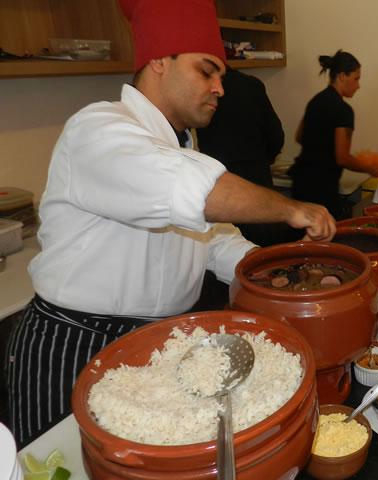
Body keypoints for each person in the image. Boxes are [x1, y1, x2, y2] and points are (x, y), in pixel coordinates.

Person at [3, 0, 335, 448]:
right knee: (59, 466)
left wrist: (272, 272)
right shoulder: (100, 128)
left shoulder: (185, 148)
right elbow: (190, 190)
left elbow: (213, 239)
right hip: (76, 345)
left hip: (158, 348)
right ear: (159, 61)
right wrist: (293, 210)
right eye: (206, 71)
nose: (220, 87)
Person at [289, 50, 378, 220]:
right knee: (327, 239)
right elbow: (342, 157)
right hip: (322, 188)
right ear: (342, 76)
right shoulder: (343, 110)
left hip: (301, 182)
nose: (358, 85)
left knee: (303, 239)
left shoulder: (316, 100)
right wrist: (370, 168)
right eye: (356, 78)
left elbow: (299, 136)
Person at [197, 69, 290, 247]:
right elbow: (276, 136)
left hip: (217, 183)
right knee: (263, 252)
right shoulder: (251, 85)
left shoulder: (199, 89)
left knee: (222, 244)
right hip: (255, 177)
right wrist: (263, 161)